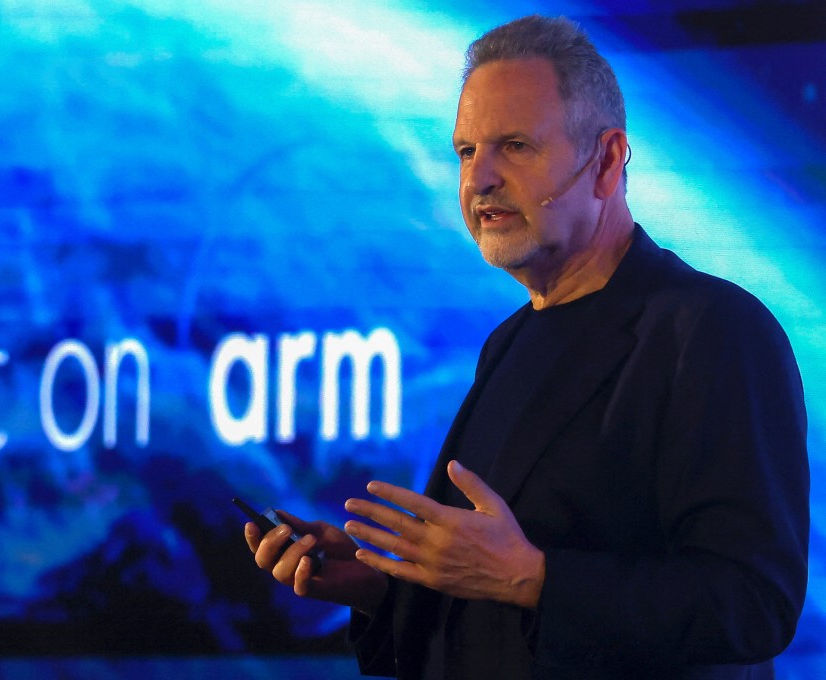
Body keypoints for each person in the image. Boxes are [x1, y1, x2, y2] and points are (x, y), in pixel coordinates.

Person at [243, 14, 808, 679]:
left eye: (513, 146)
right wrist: (383, 588)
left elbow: (752, 604)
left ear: (606, 162)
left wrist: (537, 580)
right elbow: (491, 601)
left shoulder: (713, 332)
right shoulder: (509, 342)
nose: (479, 178)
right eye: (464, 151)